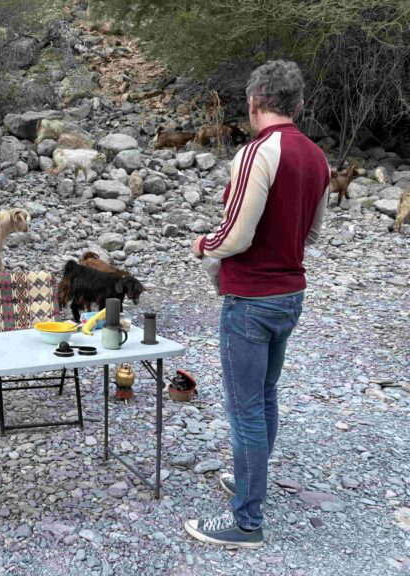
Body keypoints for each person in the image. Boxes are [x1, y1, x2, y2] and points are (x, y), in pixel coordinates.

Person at [186, 60, 330, 549]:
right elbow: (312, 231)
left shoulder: (256, 153)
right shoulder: (316, 157)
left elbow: (237, 235)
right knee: (265, 397)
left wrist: (203, 244)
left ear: (254, 102)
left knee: (244, 407)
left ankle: (246, 521)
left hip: (250, 297)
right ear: (298, 105)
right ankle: (252, 482)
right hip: (291, 295)